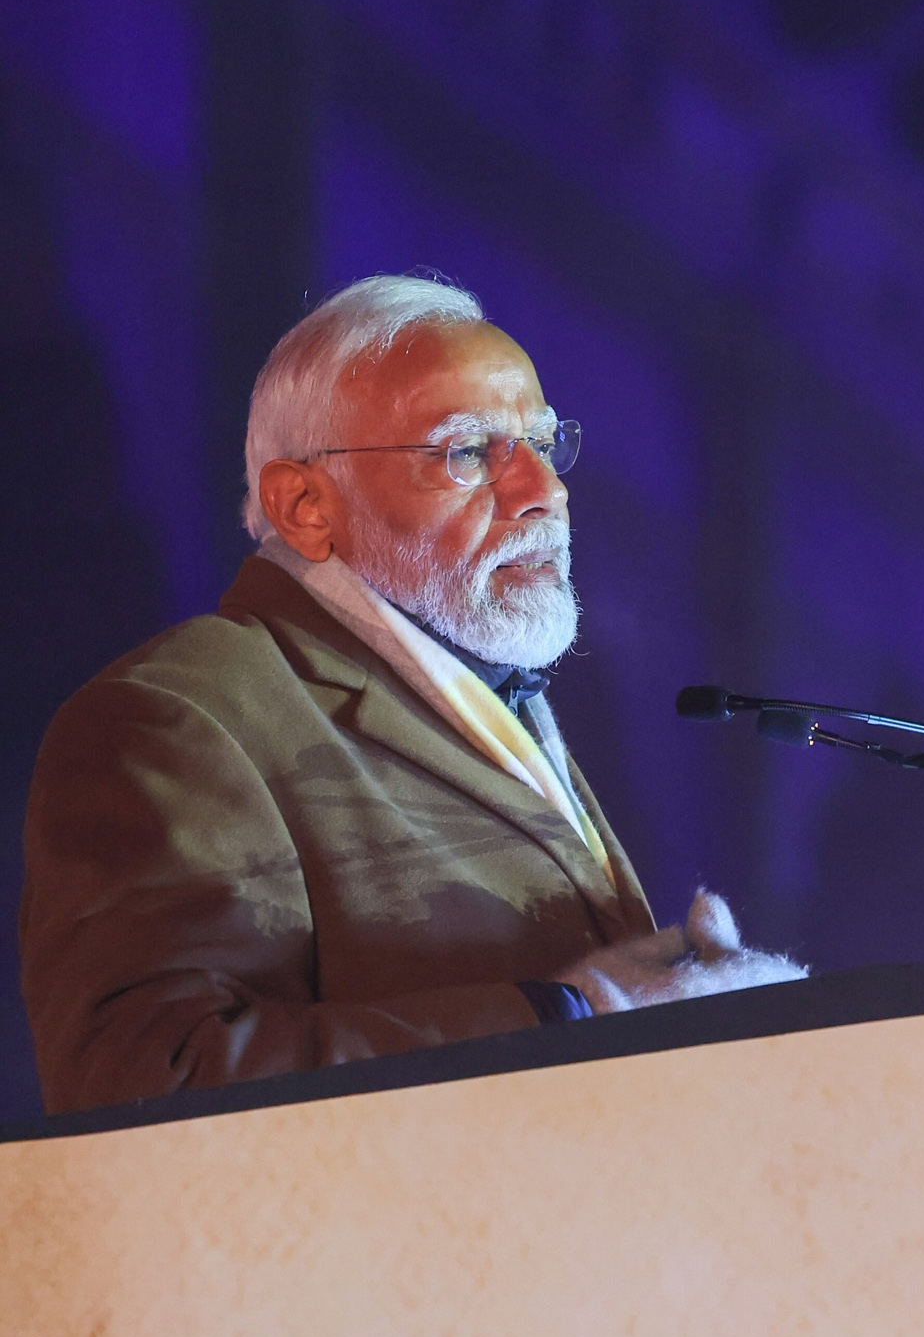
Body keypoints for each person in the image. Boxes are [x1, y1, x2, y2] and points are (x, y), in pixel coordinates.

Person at [19, 274, 800, 1113]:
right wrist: (573, 1013)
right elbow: (148, 1085)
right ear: (304, 505)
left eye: (544, 442)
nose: (545, 490)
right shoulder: (181, 718)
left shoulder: (486, 695)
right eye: (469, 451)